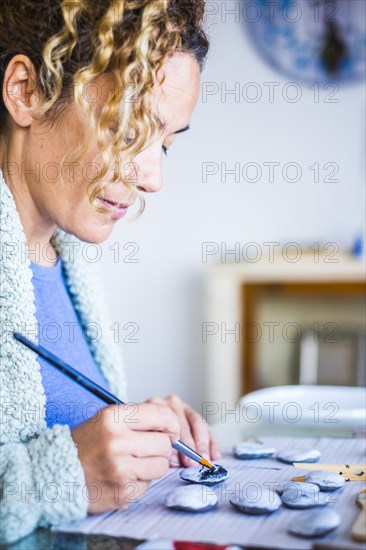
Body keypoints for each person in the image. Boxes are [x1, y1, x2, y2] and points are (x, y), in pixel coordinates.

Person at [0, 0, 221, 544]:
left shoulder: (68, 261)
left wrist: (132, 429)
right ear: (26, 91)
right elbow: (56, 470)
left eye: (165, 143)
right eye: (129, 129)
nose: (153, 178)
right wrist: (57, 478)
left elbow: (59, 427)